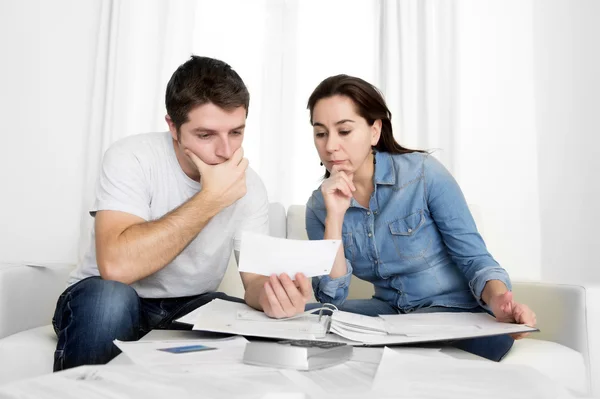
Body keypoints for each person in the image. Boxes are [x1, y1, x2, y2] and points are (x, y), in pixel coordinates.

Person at [52, 55, 312, 371]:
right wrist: (210, 199)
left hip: (188, 305)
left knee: (256, 327)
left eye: (236, 132)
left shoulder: (251, 186)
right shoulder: (131, 157)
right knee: (110, 301)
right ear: (173, 128)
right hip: (105, 296)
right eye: (206, 135)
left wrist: (273, 296)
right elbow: (116, 267)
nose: (226, 151)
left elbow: (253, 282)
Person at [304, 74, 537, 361]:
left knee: (492, 341)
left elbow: (475, 259)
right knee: (306, 319)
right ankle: (400, 350)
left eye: (344, 131)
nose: (330, 146)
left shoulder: (424, 174)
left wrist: (499, 299)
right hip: (391, 317)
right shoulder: (319, 206)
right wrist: (335, 217)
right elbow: (331, 300)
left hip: (452, 314)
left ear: (374, 131)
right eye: (321, 133)